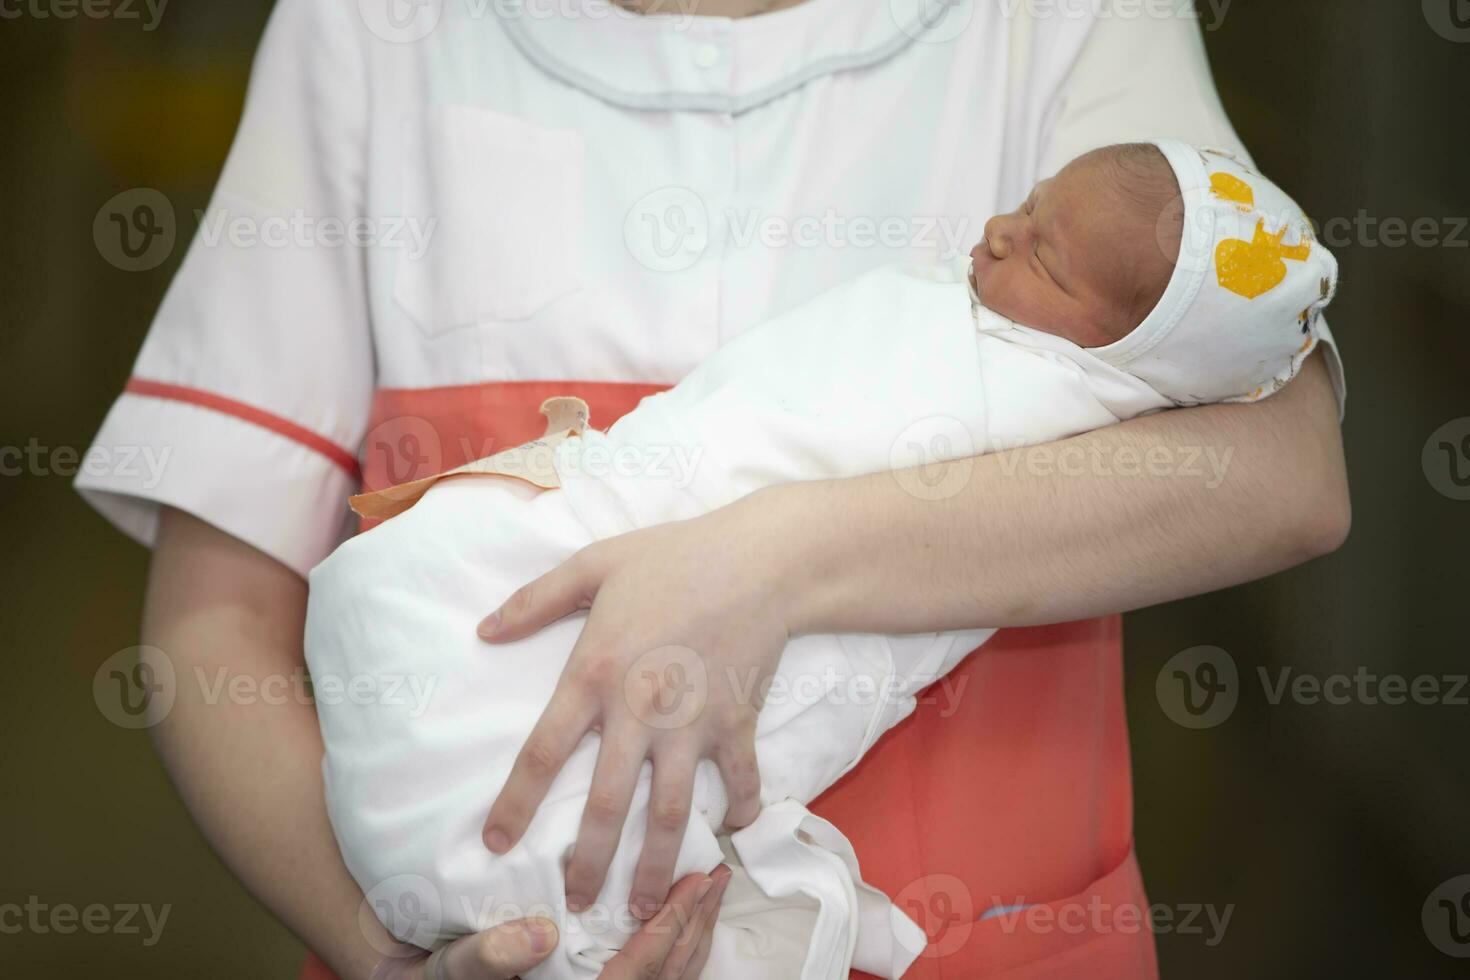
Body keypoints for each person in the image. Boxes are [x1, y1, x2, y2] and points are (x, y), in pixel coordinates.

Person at [77, 2, 1350, 977]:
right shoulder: (374, 28)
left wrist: (775, 560)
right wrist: (390, 944)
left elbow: (1287, 472)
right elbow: (214, 624)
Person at [307, 140, 1337, 980]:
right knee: (422, 591)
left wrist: (765, 556)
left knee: (597, 763)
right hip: (633, 500)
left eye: (1047, 259)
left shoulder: (1057, 402)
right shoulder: (957, 301)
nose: (998, 232)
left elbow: (1297, 489)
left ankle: (510, 851)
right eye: (1025, 204)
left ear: (1122, 356)